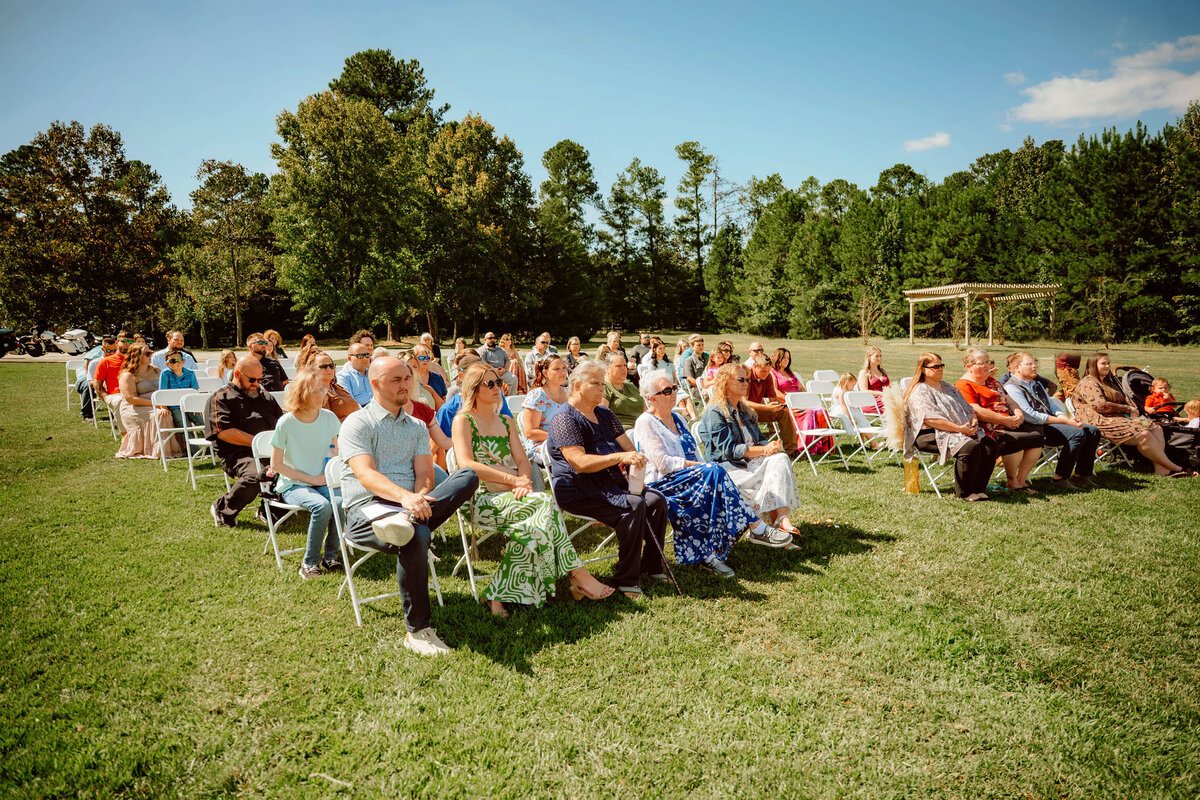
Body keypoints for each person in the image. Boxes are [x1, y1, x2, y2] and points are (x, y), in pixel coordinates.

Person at [339, 357, 479, 656]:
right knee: (417, 535)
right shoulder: (357, 423)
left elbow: (425, 474)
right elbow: (365, 474)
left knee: (467, 476)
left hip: (410, 507)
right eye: (396, 380)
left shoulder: (416, 425)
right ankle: (417, 631)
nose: (405, 385)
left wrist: (418, 498)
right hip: (367, 510)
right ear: (375, 384)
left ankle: (408, 521)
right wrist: (406, 499)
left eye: (407, 378)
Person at [452, 364, 613, 616]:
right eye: (489, 384)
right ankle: (577, 574)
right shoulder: (463, 421)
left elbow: (522, 460)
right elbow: (466, 464)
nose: (497, 388)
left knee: (534, 527)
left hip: (514, 494)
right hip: (480, 499)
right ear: (474, 389)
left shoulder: (506, 421)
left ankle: (495, 594)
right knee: (545, 505)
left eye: (498, 383)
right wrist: (513, 480)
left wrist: (524, 480)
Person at [636, 371, 790, 577]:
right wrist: (702, 468)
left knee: (715, 475)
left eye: (673, 388)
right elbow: (663, 464)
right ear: (651, 399)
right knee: (714, 471)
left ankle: (712, 554)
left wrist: (703, 468)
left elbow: (695, 454)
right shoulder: (646, 422)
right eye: (666, 391)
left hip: (692, 478)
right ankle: (756, 527)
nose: (673, 393)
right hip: (665, 483)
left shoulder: (678, 419)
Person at [547, 360, 670, 598]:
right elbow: (579, 463)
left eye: (602, 384)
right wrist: (620, 457)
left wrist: (635, 464)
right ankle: (625, 579)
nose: (601, 389)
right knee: (634, 505)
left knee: (656, 500)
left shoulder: (604, 413)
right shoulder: (565, 418)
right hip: (578, 488)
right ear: (577, 386)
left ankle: (651, 566)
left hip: (611, 483)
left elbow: (627, 447)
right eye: (595, 384)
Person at [699, 363, 802, 540]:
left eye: (747, 380)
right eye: (741, 380)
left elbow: (759, 438)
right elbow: (730, 450)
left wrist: (770, 446)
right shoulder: (715, 412)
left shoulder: (744, 410)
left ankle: (781, 518)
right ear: (725, 383)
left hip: (752, 463)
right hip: (729, 468)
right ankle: (771, 528)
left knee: (780, 458)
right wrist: (763, 449)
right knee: (773, 468)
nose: (746, 383)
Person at [269, 369, 341, 579]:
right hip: (294, 485)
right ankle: (309, 563)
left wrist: (330, 476)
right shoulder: (286, 422)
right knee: (322, 506)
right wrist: (311, 479)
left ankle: (331, 557)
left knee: (340, 503)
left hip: (322, 481)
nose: (322, 394)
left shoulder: (329, 418)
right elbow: (276, 464)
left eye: (323, 389)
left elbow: (335, 452)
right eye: (316, 391)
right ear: (303, 394)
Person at [1070, 353, 1191, 477]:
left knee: (1156, 428)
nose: (1107, 366)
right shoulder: (1088, 382)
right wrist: (1127, 408)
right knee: (1143, 434)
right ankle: (1174, 467)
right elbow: (1100, 406)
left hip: (1116, 416)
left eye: (1108, 363)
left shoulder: (1107, 382)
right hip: (1097, 420)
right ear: (1093, 365)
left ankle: (1160, 468)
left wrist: (1131, 408)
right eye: (1103, 363)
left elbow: (1123, 398)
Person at [903, 353, 999, 501]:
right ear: (923, 369)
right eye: (935, 366)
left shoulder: (948, 387)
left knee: (989, 445)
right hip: (929, 434)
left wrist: (973, 423)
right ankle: (965, 492)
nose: (940, 369)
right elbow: (931, 420)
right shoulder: (920, 391)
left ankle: (979, 488)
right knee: (969, 446)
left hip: (960, 429)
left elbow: (969, 409)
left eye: (941, 365)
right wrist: (960, 429)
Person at [1004, 351, 1102, 490]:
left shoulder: (1036, 384)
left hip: (1050, 422)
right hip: (1033, 428)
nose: (1034, 366)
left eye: (1034, 363)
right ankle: (1060, 478)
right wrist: (1066, 423)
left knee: (1092, 431)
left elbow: (1051, 405)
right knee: (1077, 433)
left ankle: (1082, 475)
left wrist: (1065, 418)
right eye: (1029, 364)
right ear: (1017, 367)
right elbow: (1031, 416)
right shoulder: (1011, 387)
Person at [205, 356, 284, 527]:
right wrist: (260, 443)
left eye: (260, 380)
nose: (257, 384)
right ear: (237, 374)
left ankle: (270, 509)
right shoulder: (220, 398)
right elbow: (225, 433)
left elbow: (281, 423)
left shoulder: (266, 397)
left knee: (299, 466)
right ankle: (222, 509)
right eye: (252, 380)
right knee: (256, 475)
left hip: (271, 449)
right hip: (238, 453)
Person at [955, 347, 1044, 494]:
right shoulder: (964, 385)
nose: (987, 366)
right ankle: (1012, 481)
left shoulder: (991, 381)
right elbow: (976, 410)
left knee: (1037, 437)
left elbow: (1010, 401)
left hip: (1007, 423)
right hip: (987, 428)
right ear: (969, 367)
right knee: (1016, 440)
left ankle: (1021, 481)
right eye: (982, 363)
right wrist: (1005, 420)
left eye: (988, 362)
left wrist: (1018, 413)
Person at [436, 353, 513, 437]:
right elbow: (444, 442)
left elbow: (510, 431)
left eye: (498, 382)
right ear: (461, 376)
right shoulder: (448, 410)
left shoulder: (496, 397)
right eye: (477, 376)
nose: (496, 388)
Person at [744, 353, 799, 459]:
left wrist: (782, 405)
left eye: (768, 371)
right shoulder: (746, 376)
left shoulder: (768, 376)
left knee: (783, 413)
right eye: (763, 371)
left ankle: (792, 450)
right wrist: (766, 407)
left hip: (758, 409)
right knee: (752, 412)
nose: (766, 374)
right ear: (755, 366)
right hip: (741, 411)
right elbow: (744, 403)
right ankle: (755, 447)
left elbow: (773, 399)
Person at [115, 343, 162, 459]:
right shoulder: (128, 375)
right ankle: (156, 450)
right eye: (147, 353)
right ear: (137, 356)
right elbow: (131, 399)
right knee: (161, 414)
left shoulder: (156, 371)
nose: (151, 355)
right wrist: (156, 404)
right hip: (135, 407)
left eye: (151, 352)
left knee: (168, 412)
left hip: (158, 404)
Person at [521, 355, 569, 458]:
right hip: (543, 445)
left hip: (567, 443)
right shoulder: (538, 396)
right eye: (557, 369)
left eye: (564, 368)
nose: (563, 372)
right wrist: (560, 438)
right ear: (545, 373)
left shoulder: (569, 393)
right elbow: (530, 432)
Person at [158, 347, 202, 430]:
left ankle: (209, 438)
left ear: (183, 361)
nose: (177, 363)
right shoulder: (165, 374)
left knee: (200, 420)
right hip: (173, 405)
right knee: (182, 423)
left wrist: (196, 405)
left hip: (189, 403)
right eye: (172, 361)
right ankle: (189, 439)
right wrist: (163, 407)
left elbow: (194, 391)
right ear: (167, 364)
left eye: (179, 359)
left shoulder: (190, 373)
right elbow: (162, 392)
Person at [93, 337, 130, 430]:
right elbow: (97, 384)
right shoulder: (105, 361)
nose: (127, 343)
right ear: (117, 343)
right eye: (124, 341)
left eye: (130, 341)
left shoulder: (137, 360)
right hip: (117, 395)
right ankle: (125, 434)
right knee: (120, 401)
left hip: (136, 394)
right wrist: (106, 397)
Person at [77, 336, 117, 420]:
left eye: (114, 351)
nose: (111, 353)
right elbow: (90, 379)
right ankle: (87, 415)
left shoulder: (118, 359)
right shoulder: (96, 358)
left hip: (110, 385)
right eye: (108, 351)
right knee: (88, 387)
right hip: (92, 381)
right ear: (103, 349)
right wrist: (101, 384)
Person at [312, 351, 360, 422]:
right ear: (313, 370)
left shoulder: (338, 388)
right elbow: (326, 421)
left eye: (331, 366)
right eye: (323, 367)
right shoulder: (317, 393)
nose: (329, 369)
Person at [601, 352, 642, 430]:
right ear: (607, 369)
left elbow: (646, 411)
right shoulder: (604, 388)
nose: (623, 369)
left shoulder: (631, 387)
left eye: (625, 365)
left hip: (642, 428)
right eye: (619, 366)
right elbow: (601, 418)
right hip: (622, 431)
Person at [856, 346, 890, 414]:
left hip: (885, 400)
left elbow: (889, 387)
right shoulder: (864, 373)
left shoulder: (883, 371)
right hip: (870, 402)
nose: (879, 358)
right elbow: (864, 391)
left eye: (880, 356)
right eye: (876, 356)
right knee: (892, 402)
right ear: (869, 357)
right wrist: (881, 394)